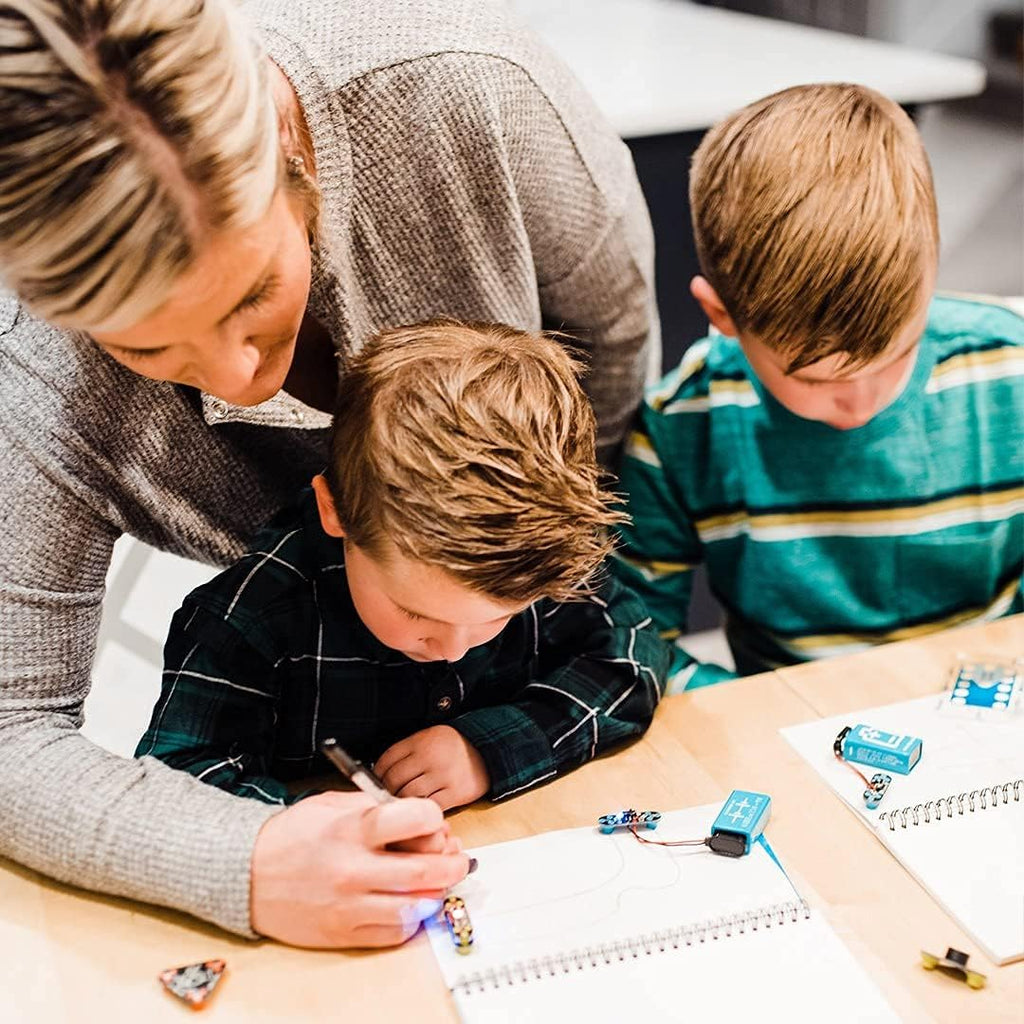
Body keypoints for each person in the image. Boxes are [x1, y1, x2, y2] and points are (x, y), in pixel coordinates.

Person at [0, 0, 657, 946]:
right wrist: (245, 857)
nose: (238, 381)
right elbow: (15, 730)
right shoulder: (29, 365)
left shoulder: (470, 85)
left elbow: (614, 363)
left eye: (252, 291)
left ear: (287, 149)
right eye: (146, 346)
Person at [137, 320, 669, 819]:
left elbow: (634, 651)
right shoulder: (251, 619)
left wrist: (491, 749)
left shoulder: (528, 561)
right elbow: (177, 777)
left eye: (498, 617)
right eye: (416, 612)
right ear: (336, 513)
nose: (456, 649)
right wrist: (311, 828)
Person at [612, 83, 1023, 689]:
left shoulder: (1008, 370)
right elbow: (636, 641)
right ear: (722, 316)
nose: (861, 401)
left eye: (896, 355)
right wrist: (757, 716)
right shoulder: (683, 426)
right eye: (815, 378)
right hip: (791, 733)